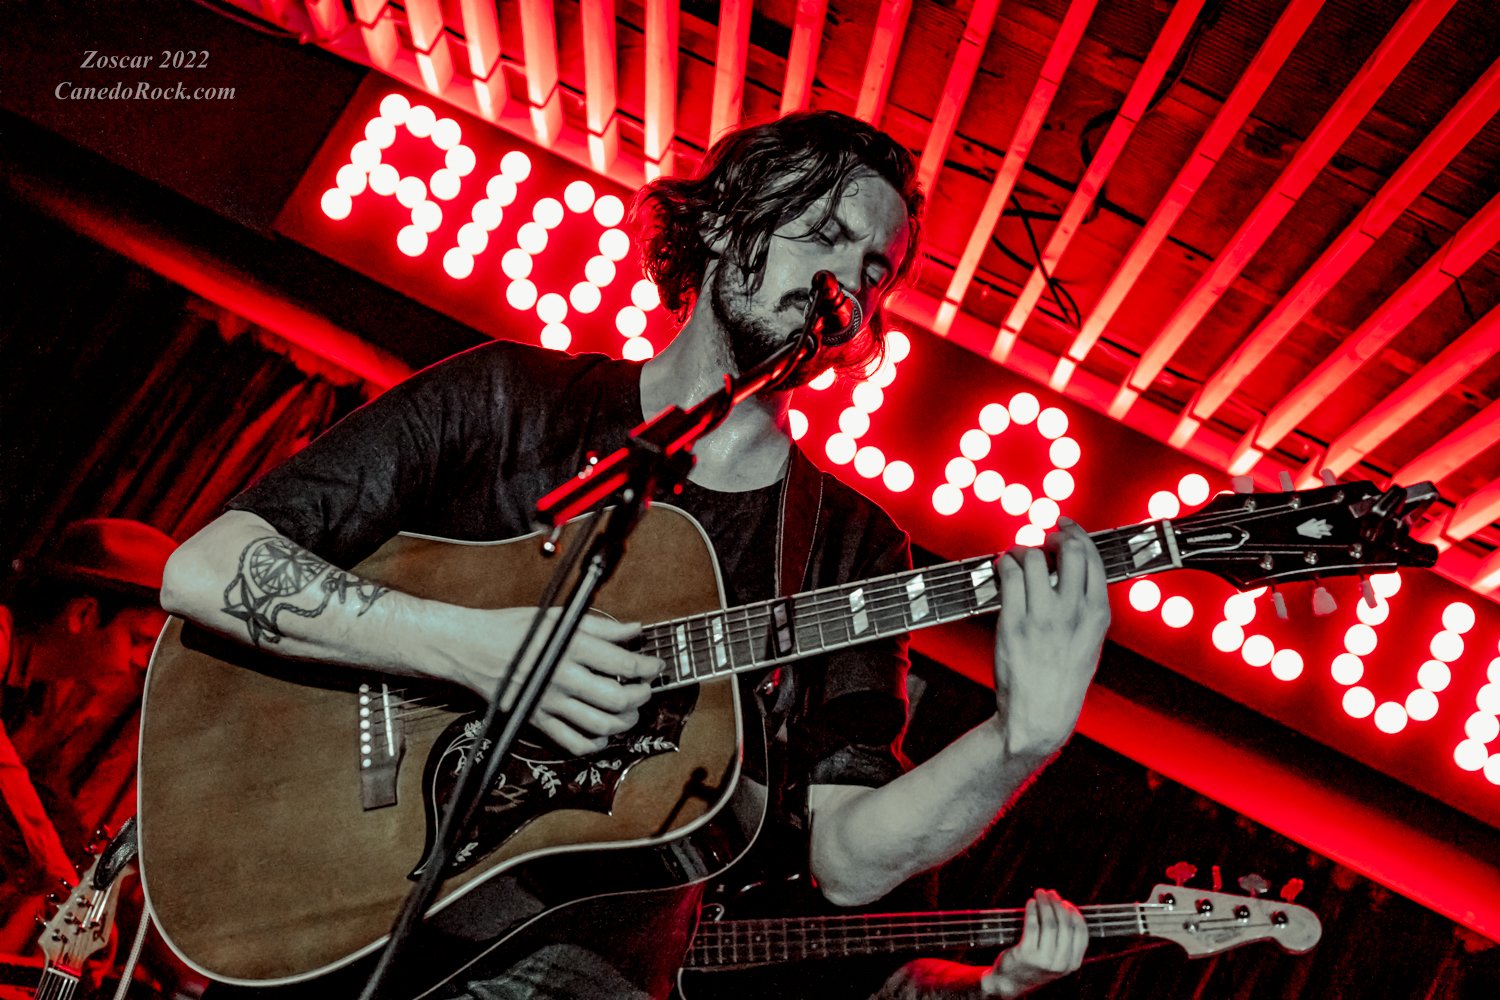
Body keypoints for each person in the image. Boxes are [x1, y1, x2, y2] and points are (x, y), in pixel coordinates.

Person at [159, 109, 1110, 999]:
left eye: (873, 270)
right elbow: (206, 567)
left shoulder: (851, 543)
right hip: (333, 917)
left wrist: (1016, 742)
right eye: (822, 234)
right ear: (721, 223)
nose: (845, 288)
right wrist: (475, 649)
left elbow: (847, 859)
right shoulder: (510, 400)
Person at [0, 517, 177, 952]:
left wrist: (95, 895)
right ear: (83, 614)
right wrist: (65, 889)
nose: (141, 663)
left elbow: (51, 804)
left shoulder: (44, 700)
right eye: (138, 639)